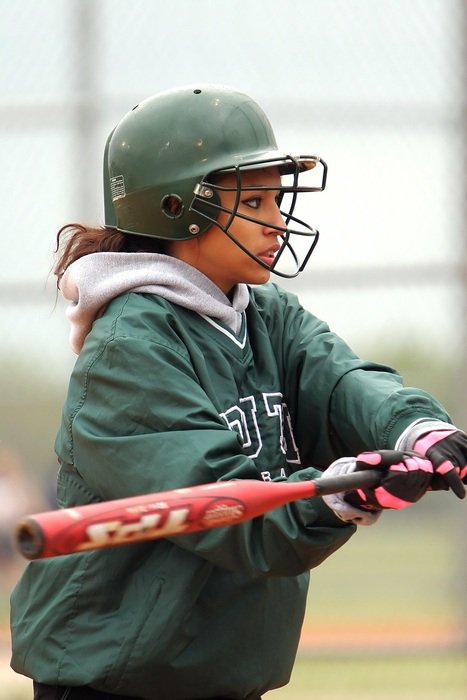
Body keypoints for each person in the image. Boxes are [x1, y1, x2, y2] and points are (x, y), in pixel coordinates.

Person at [10, 84, 467, 700]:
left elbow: (344, 385)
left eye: (276, 198)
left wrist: (421, 433)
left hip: (215, 666)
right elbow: (222, 506)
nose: (277, 219)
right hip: (116, 676)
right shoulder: (130, 347)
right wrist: (342, 494)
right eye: (253, 200)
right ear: (174, 208)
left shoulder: (267, 316)